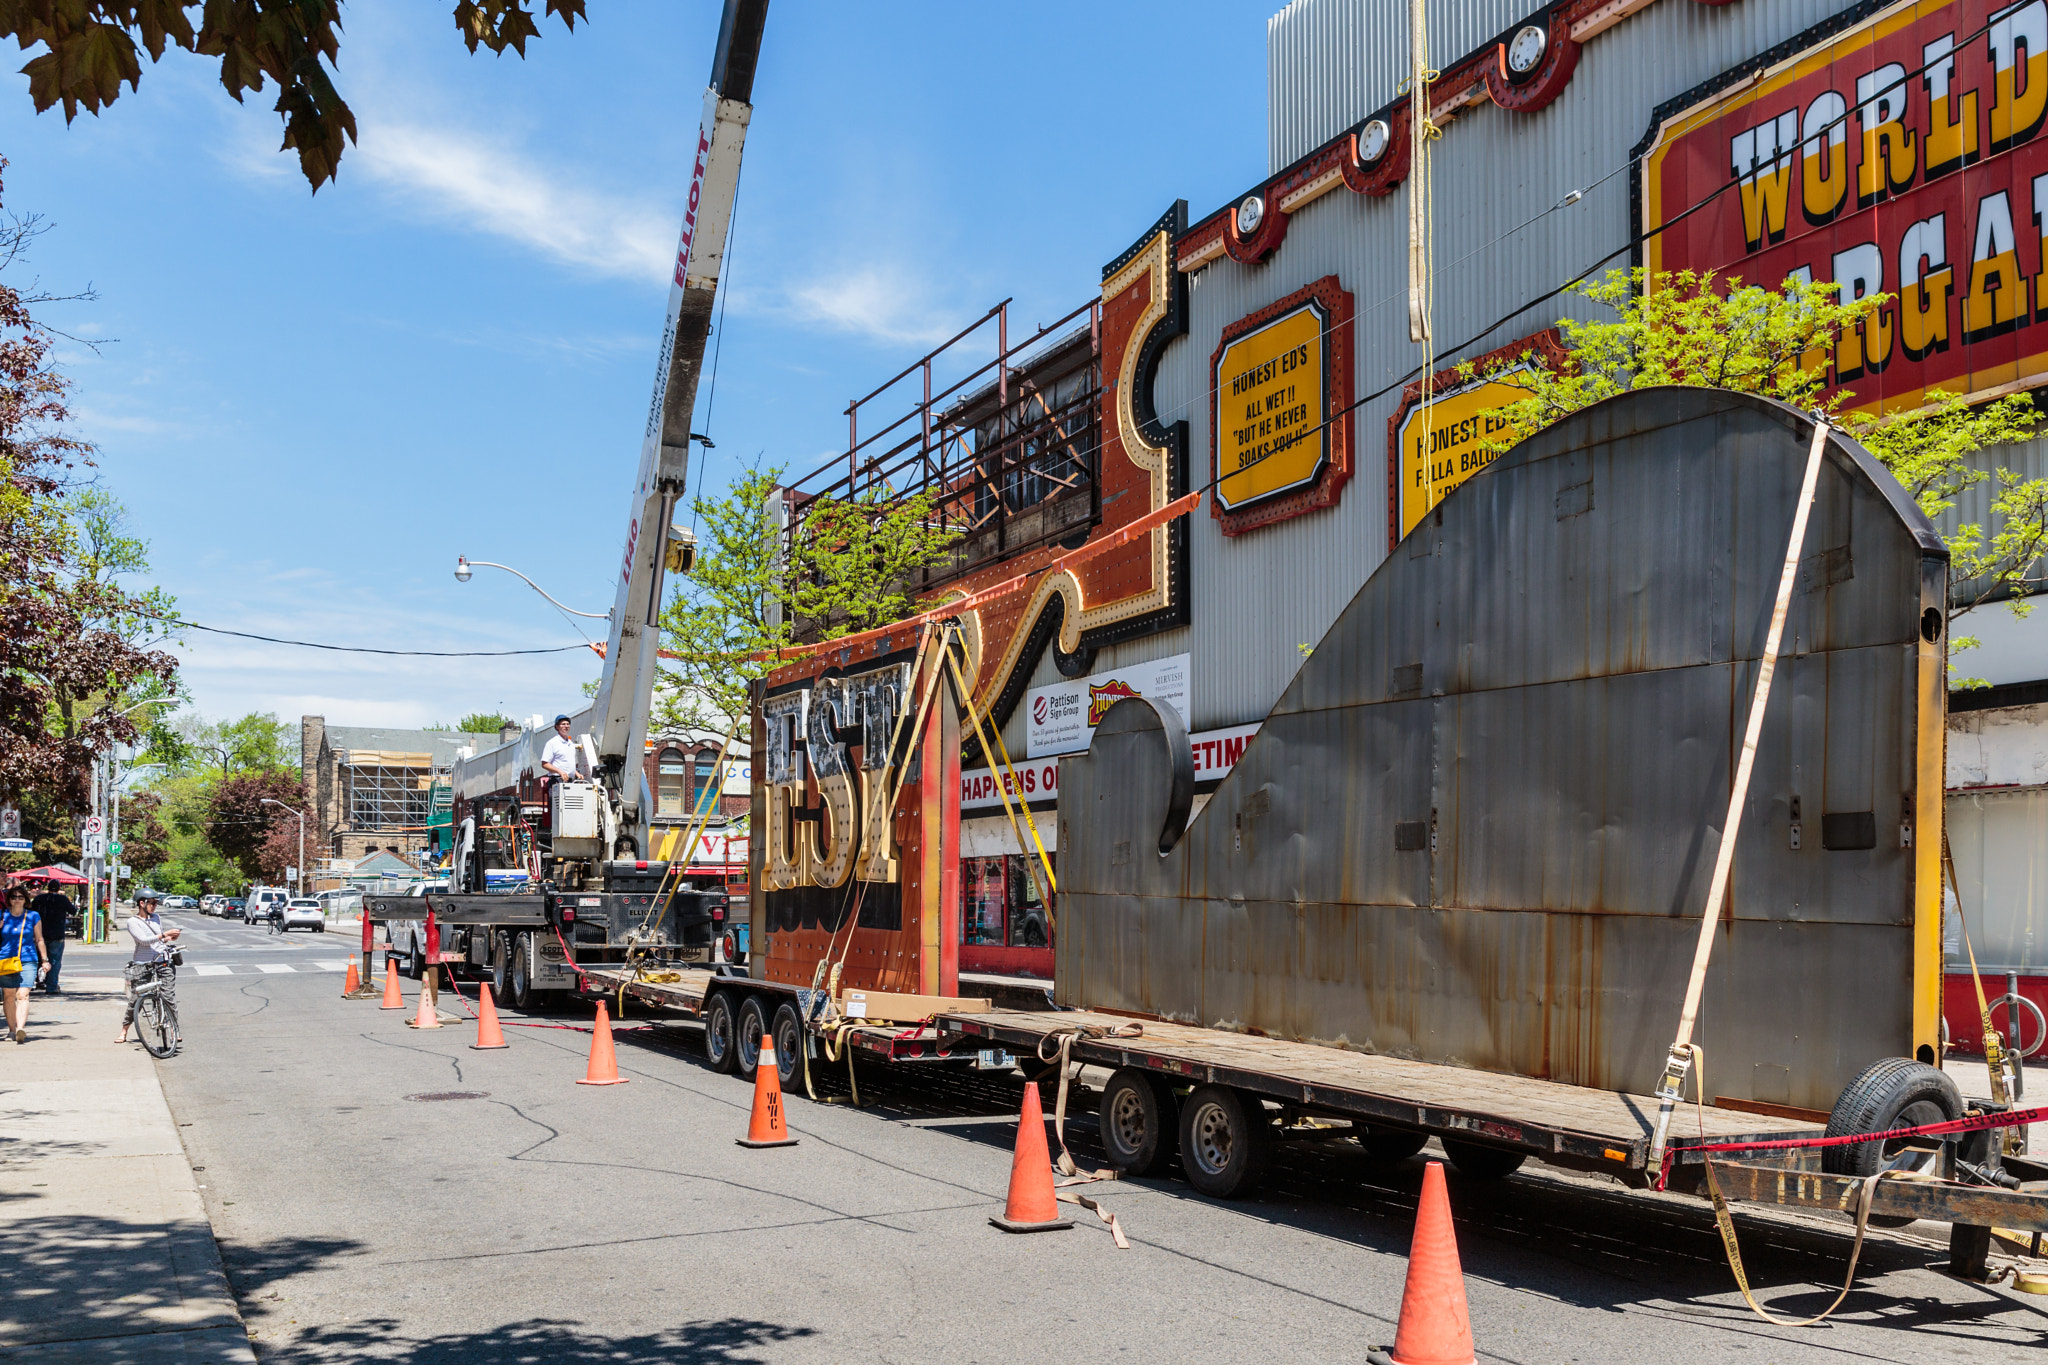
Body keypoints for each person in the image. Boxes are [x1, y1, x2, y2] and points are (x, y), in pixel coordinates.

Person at [117, 888, 181, 1047]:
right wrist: (164, 934)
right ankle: (124, 1030)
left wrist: (169, 938)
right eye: (151, 903)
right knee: (136, 998)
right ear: (141, 903)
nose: (154, 906)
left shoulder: (157, 918)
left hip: (162, 961)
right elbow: (143, 941)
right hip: (143, 964)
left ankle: (174, 1029)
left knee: (168, 997)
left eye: (156, 903)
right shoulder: (133, 922)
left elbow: (159, 941)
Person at [2, 884, 49, 1043]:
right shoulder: (2, 915)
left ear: (25, 900)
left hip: (28, 959)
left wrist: (45, 960)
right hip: (5, 958)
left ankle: (21, 1028)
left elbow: (40, 939)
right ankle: (11, 1030)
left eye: (20, 897)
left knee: (23, 994)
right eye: (13, 897)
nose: (16, 900)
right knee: (8, 996)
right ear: (9, 899)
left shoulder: (33, 916)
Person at [29, 877, 73, 995]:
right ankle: (51, 986)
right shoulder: (62, 899)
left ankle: (35, 982)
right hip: (57, 934)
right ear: (59, 888)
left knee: (39, 959)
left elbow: (30, 910)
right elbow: (73, 910)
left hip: (40, 933)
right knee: (54, 961)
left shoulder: (39, 899)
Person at [540, 714, 582, 789]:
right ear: (557, 726)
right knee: (558, 801)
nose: (566, 726)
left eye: (568, 724)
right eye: (563, 724)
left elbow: (567, 763)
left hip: (570, 781)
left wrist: (576, 773)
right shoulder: (552, 743)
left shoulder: (571, 744)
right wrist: (560, 771)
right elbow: (544, 764)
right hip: (557, 780)